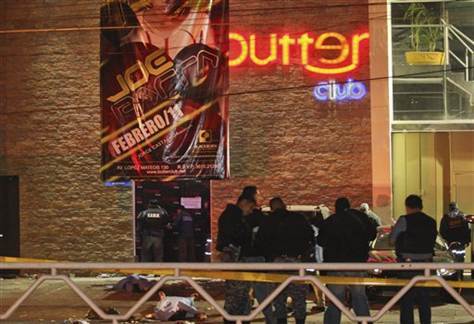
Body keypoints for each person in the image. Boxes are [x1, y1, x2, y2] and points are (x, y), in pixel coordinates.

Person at [317, 197, 377, 324]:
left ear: (336, 207)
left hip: (336, 265)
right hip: (357, 263)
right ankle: (364, 321)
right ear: (349, 206)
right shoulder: (360, 218)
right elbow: (372, 234)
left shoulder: (331, 221)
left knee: (335, 299)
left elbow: (321, 241)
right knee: (359, 296)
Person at [257, 197, 314, 324]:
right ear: (284, 205)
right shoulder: (298, 218)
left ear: (272, 208)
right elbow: (310, 236)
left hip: (276, 262)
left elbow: (260, 242)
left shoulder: (268, 221)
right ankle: (300, 320)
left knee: (278, 297)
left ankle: (281, 320)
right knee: (299, 297)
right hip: (296, 260)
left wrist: (269, 258)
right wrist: (304, 254)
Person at [390, 195, 437, 324]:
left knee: (406, 298)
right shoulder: (431, 221)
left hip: (408, 263)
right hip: (427, 264)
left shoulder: (404, 220)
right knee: (424, 298)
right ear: (421, 206)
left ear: (407, 206)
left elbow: (392, 240)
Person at [216, 195, 257, 324]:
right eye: (250, 207)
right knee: (236, 296)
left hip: (238, 260)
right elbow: (237, 237)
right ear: (244, 202)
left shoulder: (234, 216)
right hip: (236, 261)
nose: (251, 211)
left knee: (242, 295)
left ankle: (241, 319)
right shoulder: (233, 217)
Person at [440, 202, 470, 267]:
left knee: (451, 261)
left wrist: (445, 242)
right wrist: (467, 241)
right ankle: (460, 275)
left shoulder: (445, 218)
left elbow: (442, 231)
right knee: (460, 261)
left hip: (450, 244)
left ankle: (456, 274)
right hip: (460, 243)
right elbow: (466, 230)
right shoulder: (462, 217)